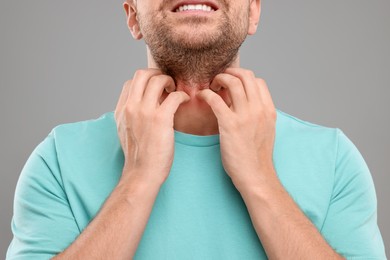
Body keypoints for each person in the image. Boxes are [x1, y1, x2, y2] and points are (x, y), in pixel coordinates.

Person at [6, 0, 386, 259]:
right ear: (133, 15)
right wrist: (137, 180)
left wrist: (261, 182)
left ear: (253, 11)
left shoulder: (334, 160)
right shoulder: (57, 160)